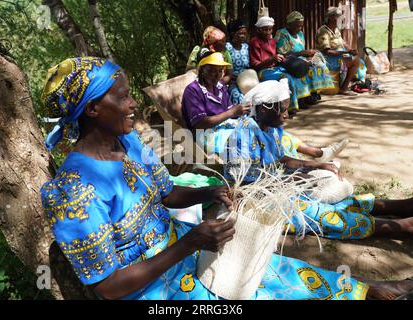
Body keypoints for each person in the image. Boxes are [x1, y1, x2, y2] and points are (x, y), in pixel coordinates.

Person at [40, 57, 413, 300]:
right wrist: (188, 247)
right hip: (154, 291)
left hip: (181, 249)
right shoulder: (73, 190)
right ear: (91, 108)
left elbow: (167, 194)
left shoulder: (130, 143)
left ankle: (367, 293)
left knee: (274, 269)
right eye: (122, 98)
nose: (134, 104)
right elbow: (108, 287)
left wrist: (207, 195)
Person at [226, 79, 413, 241]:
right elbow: (244, 186)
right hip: (256, 202)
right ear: (264, 107)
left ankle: (395, 206)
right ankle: (401, 226)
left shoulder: (269, 127)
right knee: (322, 214)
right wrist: (291, 180)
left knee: (335, 199)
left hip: (277, 187)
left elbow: (282, 159)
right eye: (282, 110)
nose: (287, 114)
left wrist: (317, 165)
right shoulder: (244, 134)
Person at [181, 51, 251, 155]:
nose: (217, 75)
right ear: (202, 70)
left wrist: (242, 112)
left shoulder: (220, 86)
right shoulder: (193, 90)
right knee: (241, 139)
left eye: (220, 71)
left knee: (252, 127)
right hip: (207, 135)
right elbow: (199, 124)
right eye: (212, 71)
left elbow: (230, 112)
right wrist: (232, 112)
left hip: (225, 126)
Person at [275, 11, 334, 107]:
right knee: (301, 69)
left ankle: (311, 94)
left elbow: (302, 51)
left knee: (319, 66)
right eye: (296, 26)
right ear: (289, 24)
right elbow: (282, 54)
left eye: (301, 26)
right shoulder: (282, 34)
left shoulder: (300, 34)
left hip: (300, 59)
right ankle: (301, 98)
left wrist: (309, 55)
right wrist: (302, 53)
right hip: (288, 62)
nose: (299, 28)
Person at [249, 16, 303, 116]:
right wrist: (272, 59)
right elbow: (255, 65)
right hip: (262, 71)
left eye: (270, 29)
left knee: (292, 74)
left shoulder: (272, 41)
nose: (268, 32)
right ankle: (286, 109)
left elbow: (275, 59)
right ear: (259, 30)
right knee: (286, 78)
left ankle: (295, 104)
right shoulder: (255, 42)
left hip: (274, 68)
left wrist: (280, 59)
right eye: (265, 29)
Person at [315, 7, 367, 96]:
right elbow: (327, 51)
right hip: (328, 58)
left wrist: (350, 50)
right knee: (356, 61)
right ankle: (344, 88)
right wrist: (345, 53)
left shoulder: (335, 29)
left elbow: (342, 42)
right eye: (338, 16)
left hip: (338, 55)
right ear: (331, 18)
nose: (340, 19)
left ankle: (350, 85)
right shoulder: (324, 31)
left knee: (359, 61)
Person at [225, 19, 251, 105]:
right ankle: (240, 116)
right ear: (233, 34)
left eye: (244, 33)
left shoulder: (246, 47)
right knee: (236, 94)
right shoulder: (227, 47)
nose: (243, 36)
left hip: (247, 80)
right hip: (233, 81)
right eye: (240, 33)